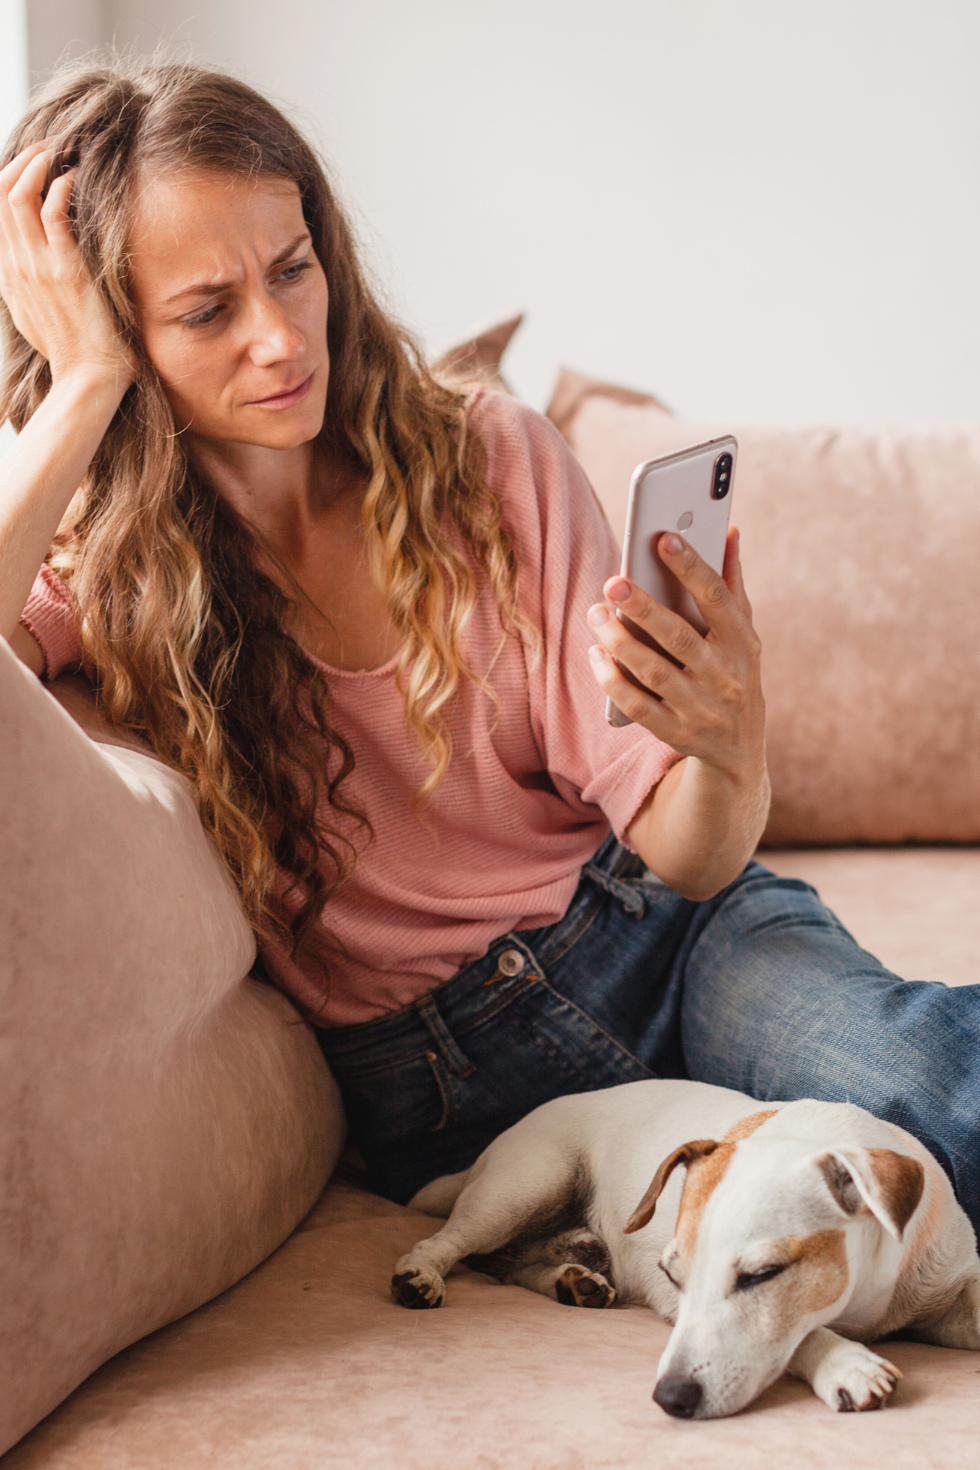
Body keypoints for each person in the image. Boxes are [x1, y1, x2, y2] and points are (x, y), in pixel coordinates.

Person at [2, 58, 977, 1224]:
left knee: (917, 1088)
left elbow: (684, 860)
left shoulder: (485, 458)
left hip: (665, 933)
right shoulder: (100, 573)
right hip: (452, 1080)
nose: (279, 337)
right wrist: (84, 386)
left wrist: (730, 750)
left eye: (292, 269)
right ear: (110, 328)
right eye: (208, 311)